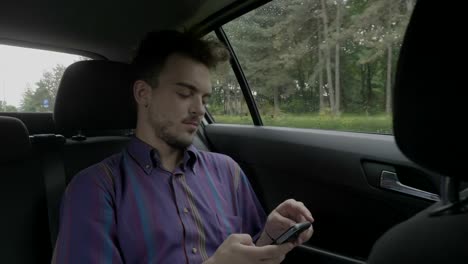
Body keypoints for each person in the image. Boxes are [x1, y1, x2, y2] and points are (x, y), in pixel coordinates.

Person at [52, 30, 314, 264]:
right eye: (185, 94)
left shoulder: (227, 171)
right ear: (143, 94)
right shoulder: (95, 188)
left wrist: (269, 236)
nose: (199, 109)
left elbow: (251, 252)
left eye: (204, 98)